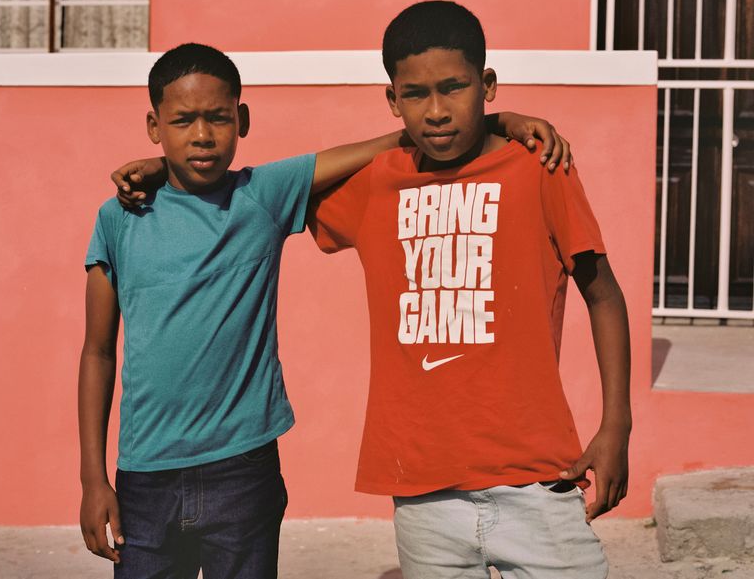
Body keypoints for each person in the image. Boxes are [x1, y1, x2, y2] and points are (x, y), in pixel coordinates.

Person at [80, 42, 572, 579]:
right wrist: (92, 479)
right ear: (154, 127)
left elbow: (398, 138)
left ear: (242, 121)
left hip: (243, 469)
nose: (202, 135)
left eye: (218, 118)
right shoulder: (119, 219)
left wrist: (501, 120)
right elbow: (98, 352)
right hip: (145, 475)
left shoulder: (262, 195)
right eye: (182, 121)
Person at [308, 1, 631, 579]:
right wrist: (168, 171)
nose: (436, 112)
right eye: (415, 95)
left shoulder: (540, 168)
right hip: (424, 495)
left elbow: (603, 296)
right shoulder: (378, 184)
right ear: (392, 100)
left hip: (538, 481)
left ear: (487, 84)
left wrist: (616, 427)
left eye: (454, 89)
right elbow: (266, 192)